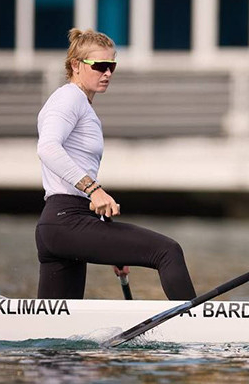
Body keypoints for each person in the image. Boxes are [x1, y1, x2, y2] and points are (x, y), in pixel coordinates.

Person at [35, 28, 196, 300]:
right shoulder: (69, 97)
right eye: (100, 66)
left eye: (112, 66)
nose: (107, 73)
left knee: (53, 334)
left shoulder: (82, 105)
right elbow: (48, 148)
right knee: (168, 251)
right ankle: (197, 330)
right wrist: (94, 190)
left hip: (64, 226)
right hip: (66, 221)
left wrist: (109, 242)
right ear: (75, 65)